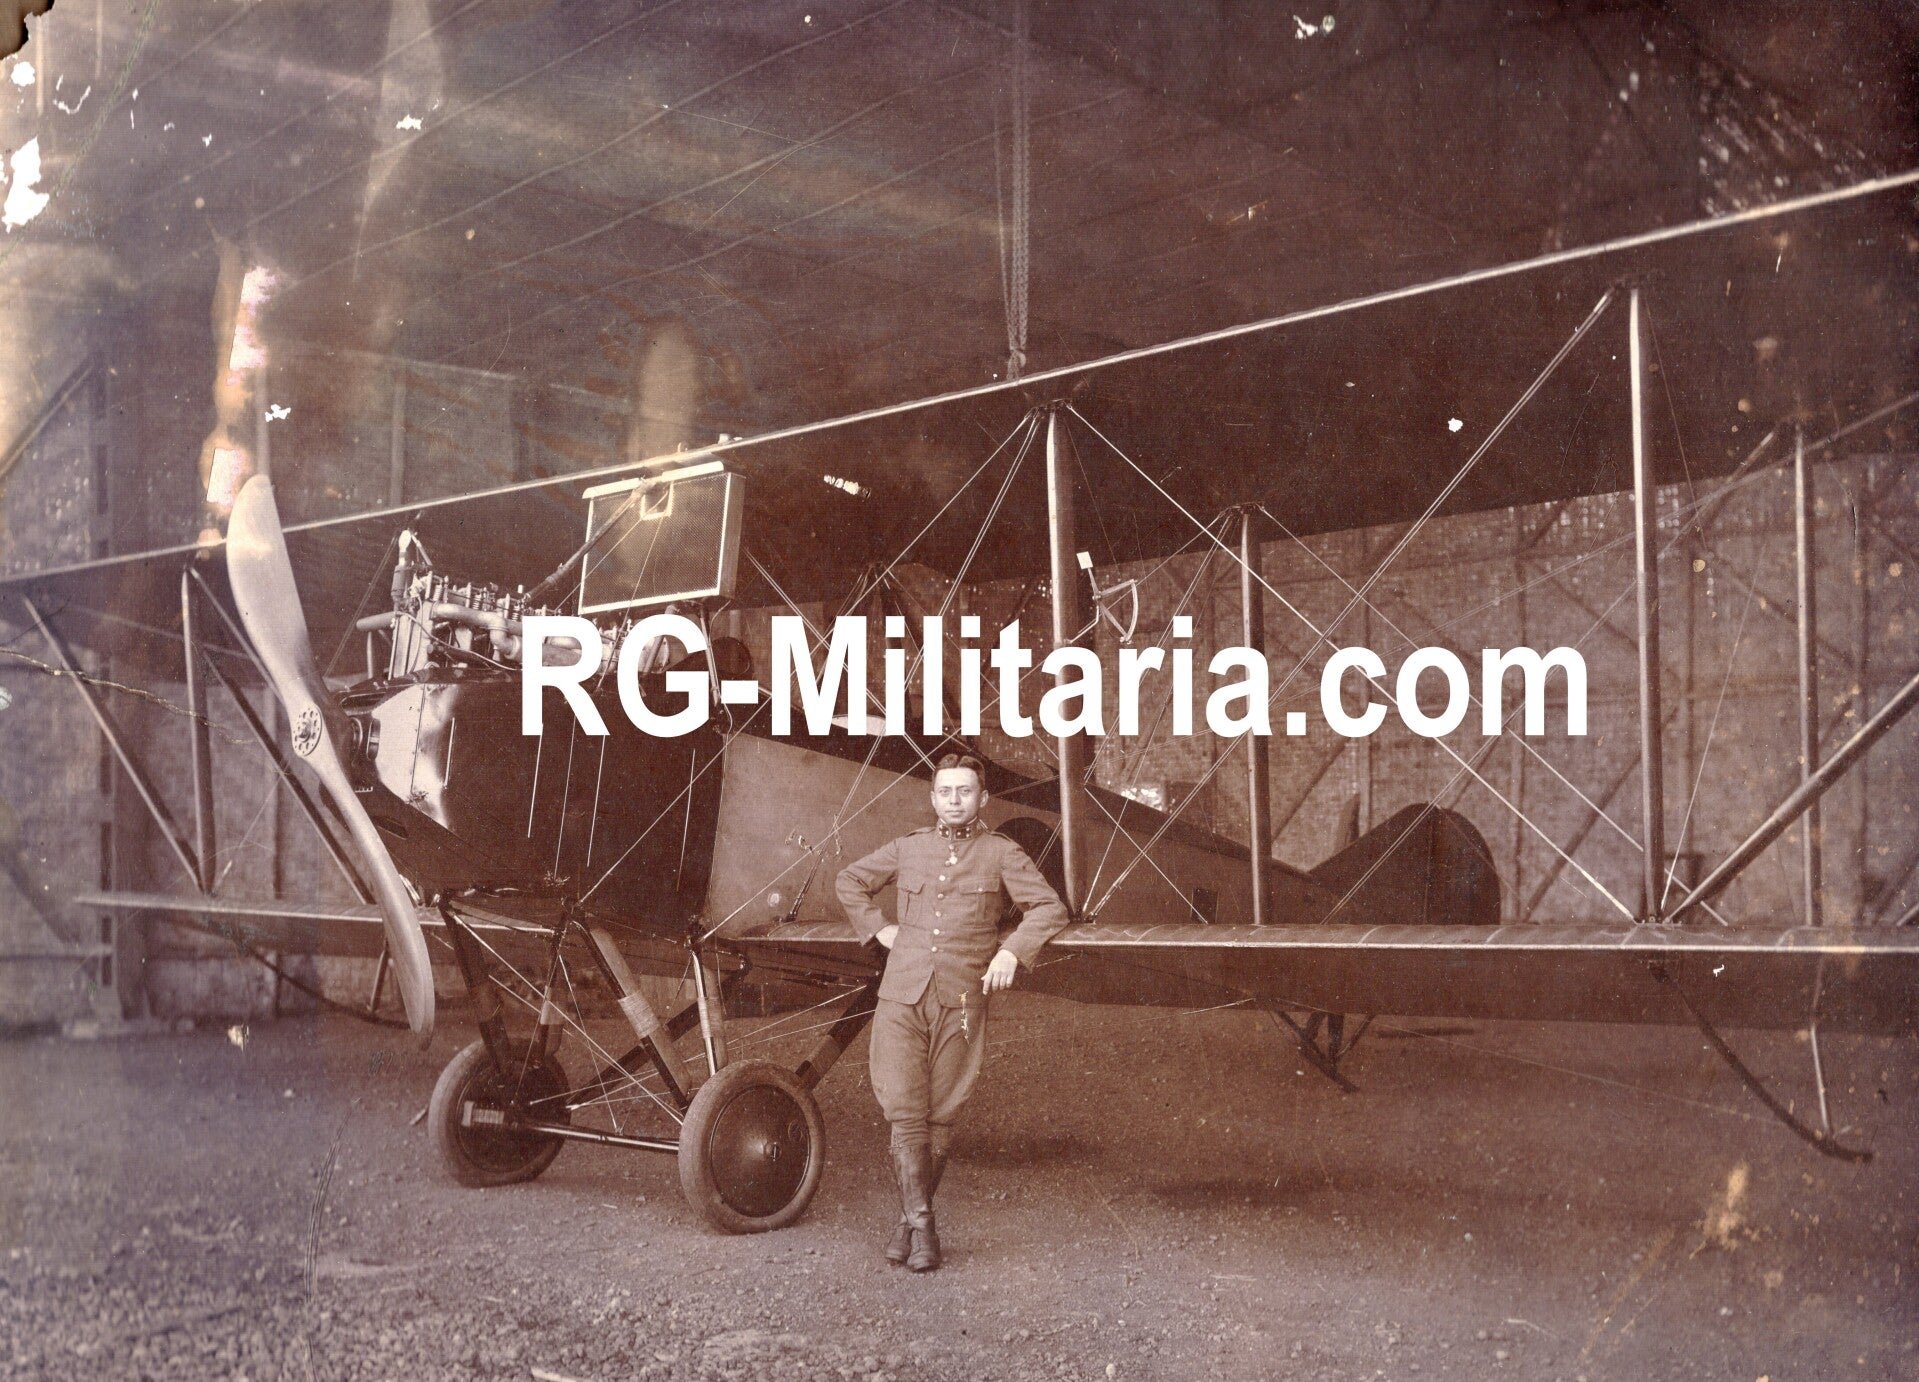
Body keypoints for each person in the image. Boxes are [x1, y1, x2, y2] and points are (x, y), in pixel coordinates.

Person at [836, 753, 1071, 1272]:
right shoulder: (909, 848)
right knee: (903, 1107)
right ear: (933, 798)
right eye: (946, 792)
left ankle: (909, 1228)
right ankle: (925, 1226)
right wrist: (879, 927)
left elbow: (1051, 907)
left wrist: (1011, 951)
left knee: (940, 1114)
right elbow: (848, 880)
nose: (955, 801)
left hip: (962, 998)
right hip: (901, 995)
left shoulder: (1002, 854)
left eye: (966, 792)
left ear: (983, 799)